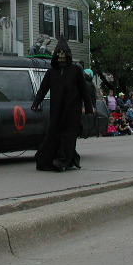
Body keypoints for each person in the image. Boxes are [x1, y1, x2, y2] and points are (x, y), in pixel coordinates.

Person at [31, 37, 93, 172]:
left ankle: (62, 160)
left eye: (64, 54)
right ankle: (64, 159)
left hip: (72, 110)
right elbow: (43, 89)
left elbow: (84, 90)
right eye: (59, 54)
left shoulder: (76, 70)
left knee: (68, 135)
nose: (61, 57)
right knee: (55, 135)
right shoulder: (51, 73)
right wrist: (36, 103)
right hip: (56, 110)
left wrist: (89, 108)